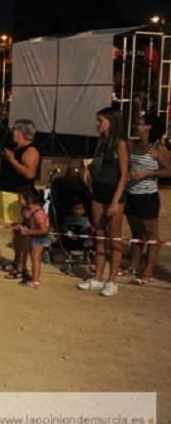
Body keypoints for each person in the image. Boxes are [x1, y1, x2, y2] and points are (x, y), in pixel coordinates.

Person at [78, 107, 130, 297]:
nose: (97, 124)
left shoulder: (120, 144)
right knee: (99, 235)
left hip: (113, 194)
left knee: (114, 238)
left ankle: (112, 280)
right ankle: (98, 277)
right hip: (98, 192)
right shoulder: (101, 142)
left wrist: (116, 202)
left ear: (111, 122)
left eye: (101, 120)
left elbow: (124, 175)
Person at [124, 113, 171, 285]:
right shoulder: (133, 145)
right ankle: (134, 265)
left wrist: (149, 173)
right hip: (131, 194)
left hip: (147, 196)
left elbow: (169, 170)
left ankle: (149, 270)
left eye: (140, 122)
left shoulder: (159, 149)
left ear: (149, 127)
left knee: (152, 235)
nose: (136, 124)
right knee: (137, 234)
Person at [0, 119, 39, 276]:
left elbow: (29, 173)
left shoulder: (31, 151)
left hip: (18, 195)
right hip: (7, 193)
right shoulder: (16, 148)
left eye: (16, 130)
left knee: (21, 232)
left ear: (23, 133)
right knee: (15, 231)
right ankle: (16, 261)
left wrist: (12, 160)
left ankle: (22, 266)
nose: (13, 133)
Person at [16, 185, 50, 288]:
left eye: (20, 199)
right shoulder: (27, 210)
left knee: (35, 257)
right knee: (33, 256)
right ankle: (35, 276)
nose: (19, 201)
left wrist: (29, 232)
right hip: (34, 235)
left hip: (41, 237)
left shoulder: (38, 213)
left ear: (29, 199)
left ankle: (35, 280)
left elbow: (44, 229)